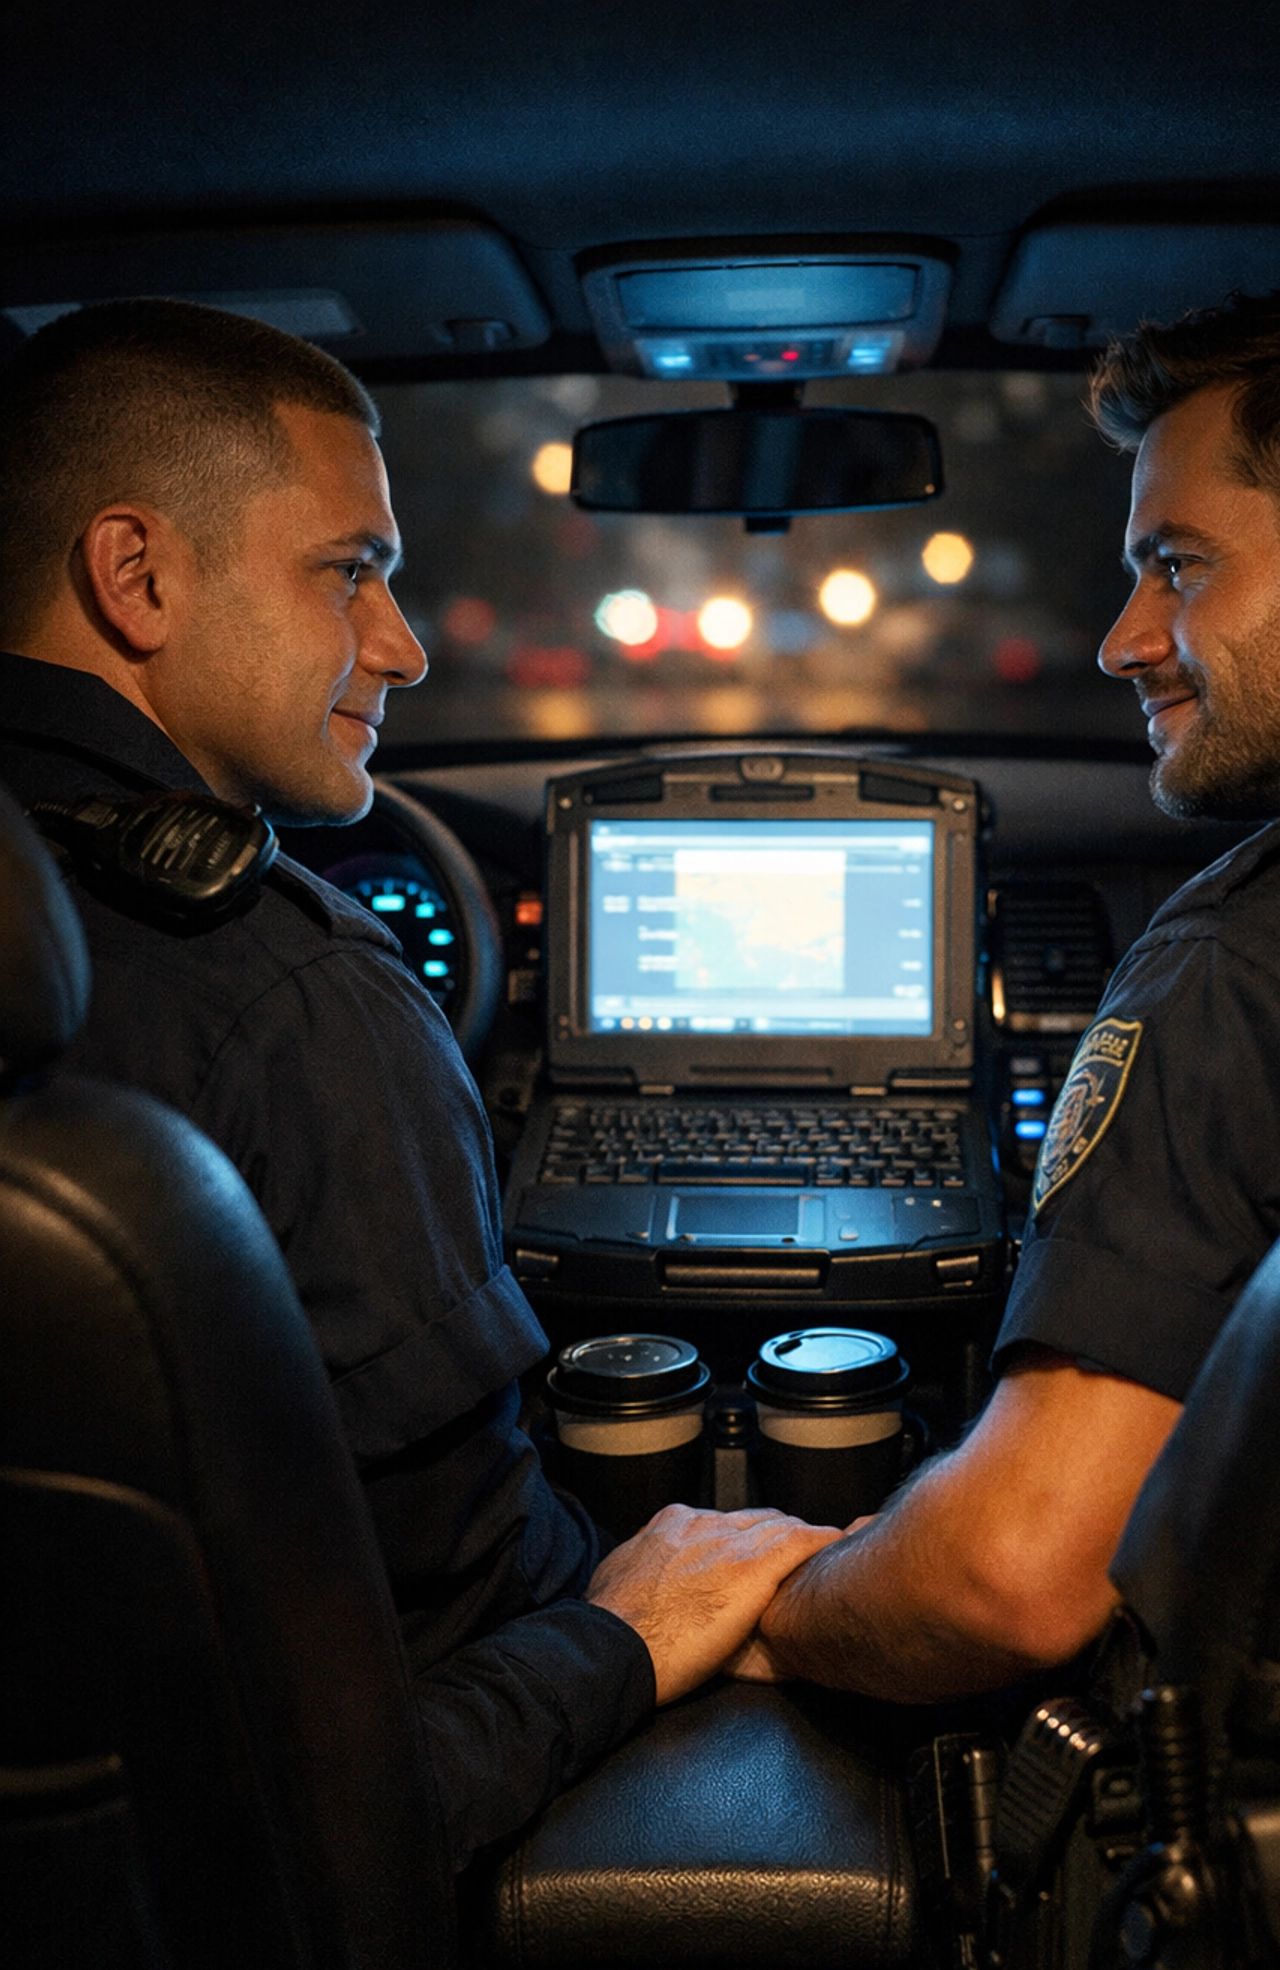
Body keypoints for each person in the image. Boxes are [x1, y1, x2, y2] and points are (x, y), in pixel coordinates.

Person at [0, 297, 838, 1869]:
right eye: (350, 572)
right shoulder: (301, 998)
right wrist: (631, 1624)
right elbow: (433, 1653)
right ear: (138, 576)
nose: (404, 645)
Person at [737, 272, 1280, 1700]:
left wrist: (771, 1607)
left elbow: (1010, 1579)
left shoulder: (1253, 962)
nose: (1125, 638)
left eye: (1179, 565)